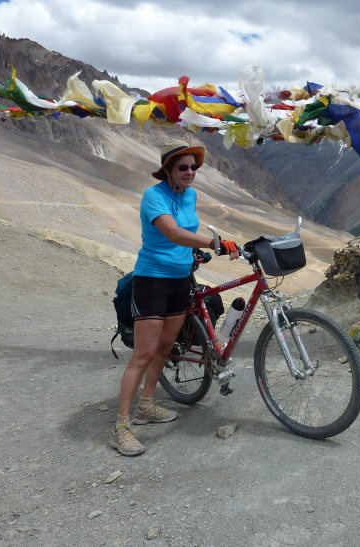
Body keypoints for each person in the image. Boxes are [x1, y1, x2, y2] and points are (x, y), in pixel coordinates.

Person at [111, 139, 239, 456]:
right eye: (183, 167)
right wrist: (214, 243)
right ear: (167, 169)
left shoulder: (190, 196)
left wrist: (196, 252)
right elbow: (172, 233)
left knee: (166, 348)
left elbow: (184, 237)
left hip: (182, 280)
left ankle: (147, 404)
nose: (190, 172)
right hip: (152, 281)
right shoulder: (153, 197)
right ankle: (121, 427)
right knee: (144, 353)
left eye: (194, 166)